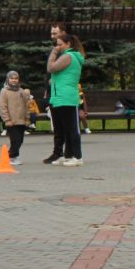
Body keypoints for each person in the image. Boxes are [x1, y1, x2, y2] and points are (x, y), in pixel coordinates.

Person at [44, 26, 85, 166]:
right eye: (56, 44)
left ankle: (77, 157)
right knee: (61, 129)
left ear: (68, 44)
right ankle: (67, 155)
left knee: (72, 129)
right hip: (58, 97)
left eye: (60, 44)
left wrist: (53, 53)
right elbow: (59, 74)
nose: (57, 47)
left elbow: (51, 68)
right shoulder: (66, 56)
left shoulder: (69, 56)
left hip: (67, 97)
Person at [0, 71, 34, 164]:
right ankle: (10, 157)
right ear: (8, 79)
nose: (14, 80)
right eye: (12, 78)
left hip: (21, 120)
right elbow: (2, 106)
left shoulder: (21, 91)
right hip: (11, 121)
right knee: (15, 140)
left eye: (16, 78)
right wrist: (7, 119)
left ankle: (14, 156)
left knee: (20, 140)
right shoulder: (4, 91)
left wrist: (27, 118)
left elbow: (26, 105)